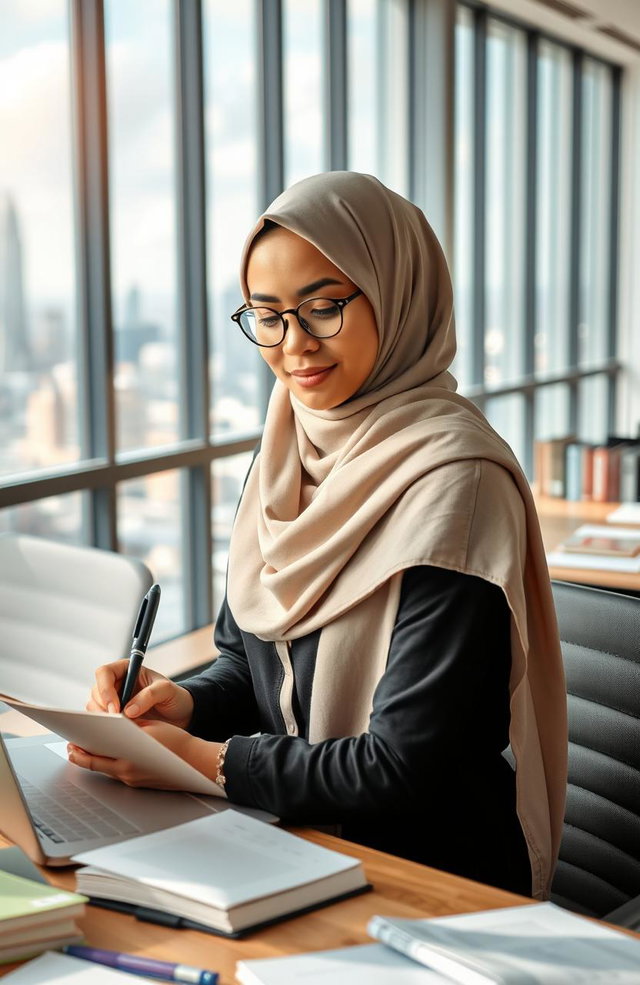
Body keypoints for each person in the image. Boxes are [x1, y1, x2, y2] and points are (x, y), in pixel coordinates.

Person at [71, 171, 567, 900]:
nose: (293, 344)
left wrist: (203, 762)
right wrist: (181, 703)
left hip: (429, 874)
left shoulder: (457, 484)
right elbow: (248, 664)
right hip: (290, 838)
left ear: (397, 294)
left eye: (323, 307)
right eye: (267, 315)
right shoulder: (285, 451)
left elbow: (402, 766)